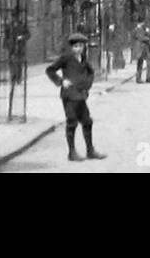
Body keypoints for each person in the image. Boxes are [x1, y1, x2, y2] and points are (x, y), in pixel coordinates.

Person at [45, 31, 106, 162]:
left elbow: (91, 72)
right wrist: (61, 81)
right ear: (71, 47)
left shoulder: (83, 59)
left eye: (80, 46)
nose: (78, 49)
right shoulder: (66, 58)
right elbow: (50, 70)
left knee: (87, 121)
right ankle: (71, 153)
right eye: (75, 46)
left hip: (80, 96)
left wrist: (87, 85)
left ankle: (90, 150)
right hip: (69, 96)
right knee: (72, 121)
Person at [133, 17, 150, 84]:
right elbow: (141, 38)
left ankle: (147, 78)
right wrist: (148, 38)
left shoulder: (143, 29)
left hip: (145, 48)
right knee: (141, 64)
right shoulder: (137, 29)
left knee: (148, 63)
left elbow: (149, 36)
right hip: (141, 48)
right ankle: (140, 78)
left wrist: (148, 32)